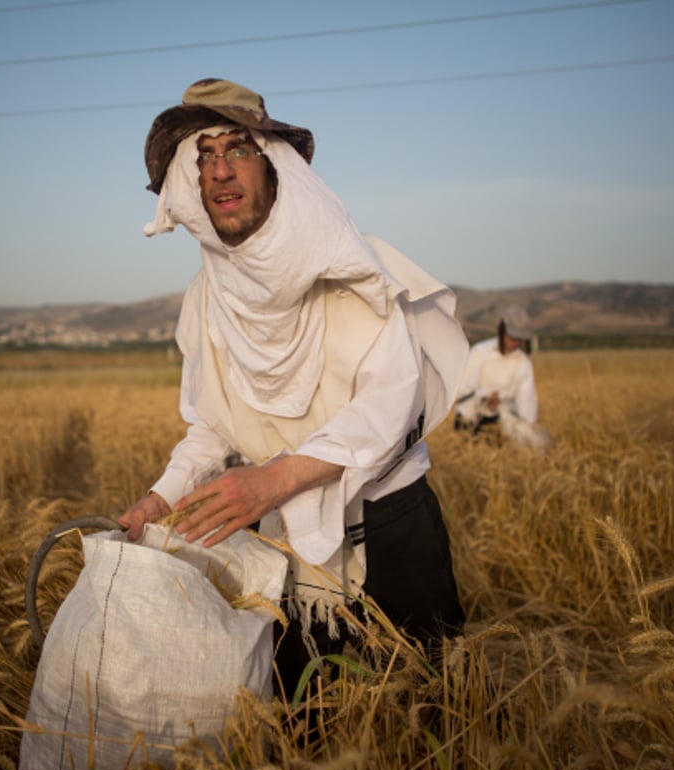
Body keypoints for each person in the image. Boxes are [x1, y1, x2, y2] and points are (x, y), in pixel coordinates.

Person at [118, 78, 469, 692]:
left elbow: (388, 409)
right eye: (204, 156)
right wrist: (162, 498)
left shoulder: (354, 268)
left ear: (276, 168)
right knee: (305, 720)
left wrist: (271, 480)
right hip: (280, 541)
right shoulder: (206, 300)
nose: (220, 170)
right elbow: (210, 424)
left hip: (391, 525)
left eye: (238, 150)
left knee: (430, 711)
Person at [453, 305, 539, 438]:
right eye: (513, 337)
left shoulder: (523, 362)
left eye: (520, 339)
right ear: (502, 331)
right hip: (471, 418)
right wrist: (484, 397)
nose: (516, 342)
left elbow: (527, 404)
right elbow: (462, 390)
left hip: (503, 422)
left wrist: (528, 430)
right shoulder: (480, 352)